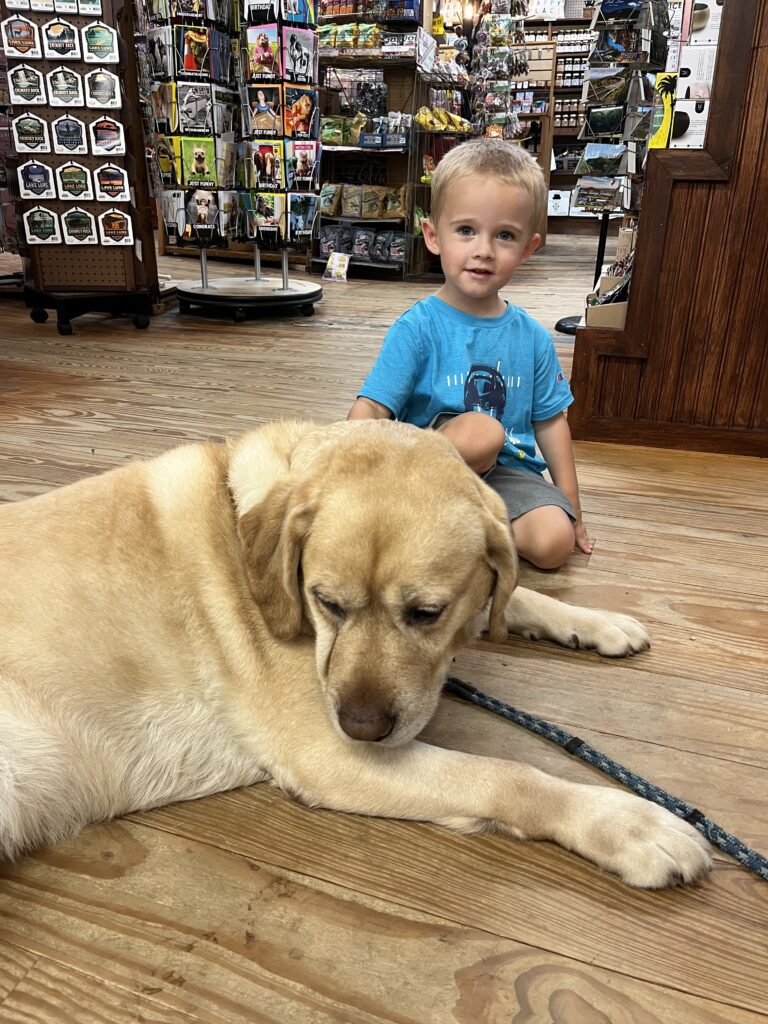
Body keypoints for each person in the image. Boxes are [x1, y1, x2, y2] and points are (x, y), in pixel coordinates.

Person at [347, 138, 593, 569]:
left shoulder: (533, 338)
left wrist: (572, 509)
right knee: (483, 431)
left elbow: (551, 423)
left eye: (504, 235)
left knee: (554, 544)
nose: (483, 249)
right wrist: (353, 473)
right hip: (425, 468)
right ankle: (422, 514)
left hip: (507, 476)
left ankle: (451, 529)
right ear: (432, 235)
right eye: (466, 230)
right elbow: (370, 408)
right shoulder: (418, 327)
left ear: (528, 249)